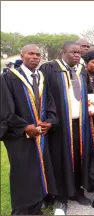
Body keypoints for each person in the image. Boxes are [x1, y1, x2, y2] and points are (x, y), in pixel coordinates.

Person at [0, 44, 57, 215]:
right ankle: (22, 210)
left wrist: (50, 121)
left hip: (40, 134)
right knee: (23, 171)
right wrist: (24, 127)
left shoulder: (41, 77)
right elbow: (4, 108)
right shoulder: (8, 78)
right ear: (22, 55)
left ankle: (36, 206)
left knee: (38, 169)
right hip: (18, 135)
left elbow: (50, 103)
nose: (35, 57)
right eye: (31, 53)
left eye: (38, 54)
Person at [39, 41, 92, 214]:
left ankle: (77, 190)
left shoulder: (81, 70)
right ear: (63, 52)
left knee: (79, 157)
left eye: (79, 53)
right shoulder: (49, 69)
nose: (77, 55)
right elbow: (43, 97)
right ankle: (60, 197)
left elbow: (88, 95)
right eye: (73, 52)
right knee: (60, 159)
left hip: (79, 124)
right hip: (59, 126)